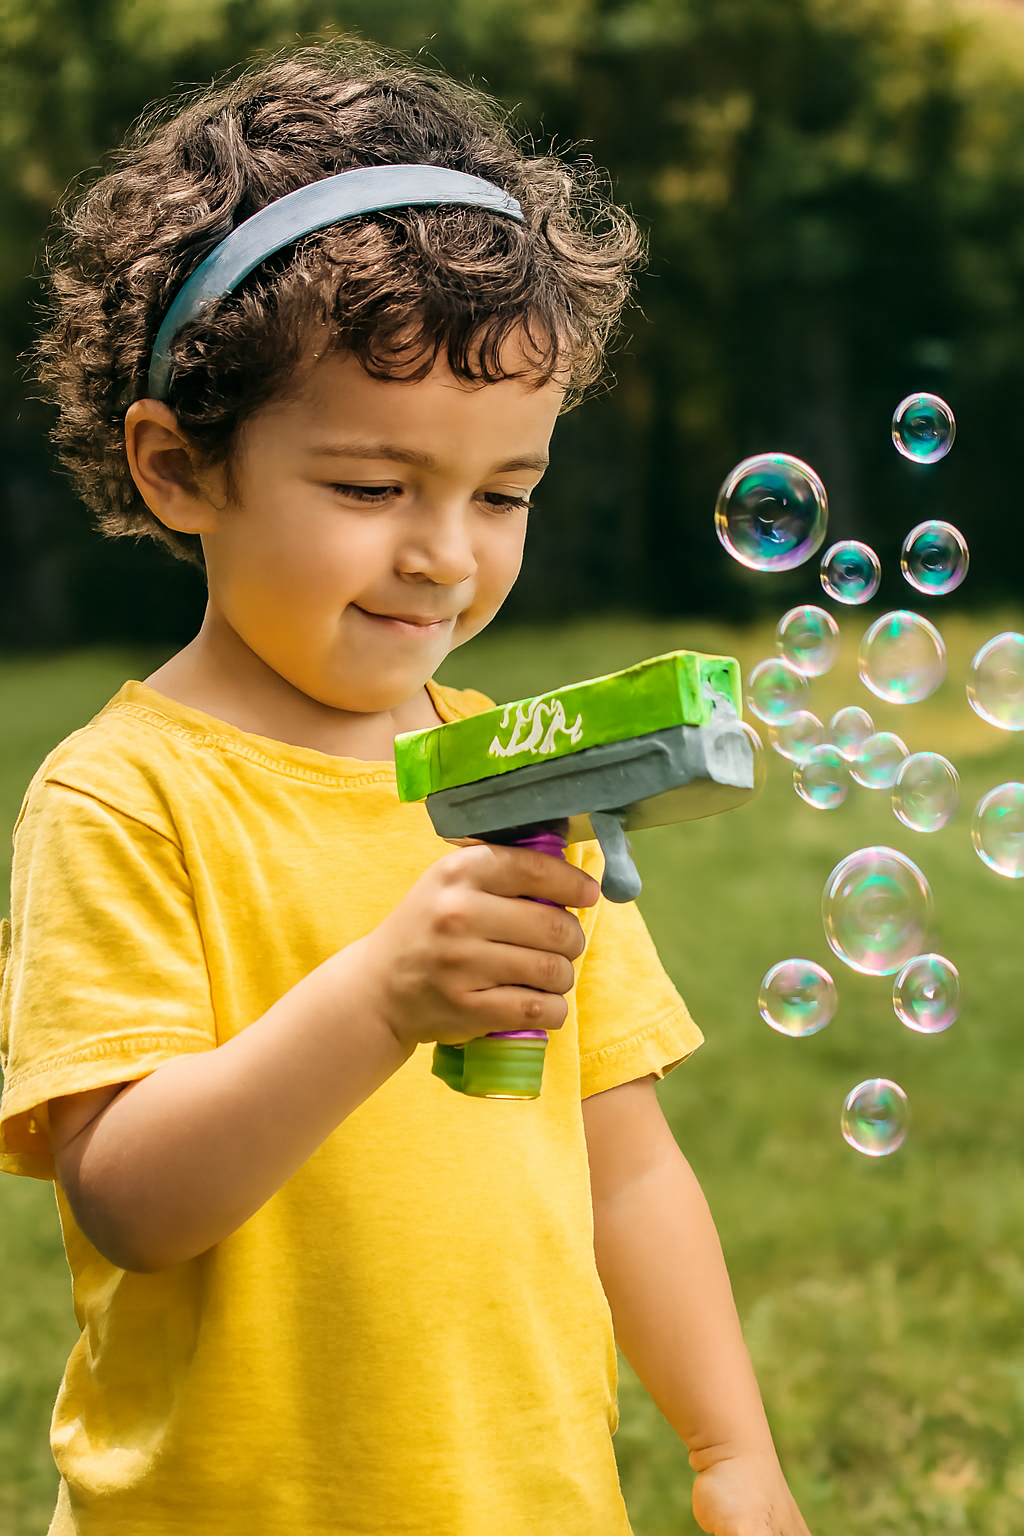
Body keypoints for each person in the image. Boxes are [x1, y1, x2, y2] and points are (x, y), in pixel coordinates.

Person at [0, 42, 813, 1536]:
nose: (444, 552)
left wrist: (726, 1452)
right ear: (183, 470)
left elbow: (625, 1164)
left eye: (502, 493)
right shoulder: (122, 797)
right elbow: (128, 1195)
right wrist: (382, 995)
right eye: (373, 490)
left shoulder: (522, 770)